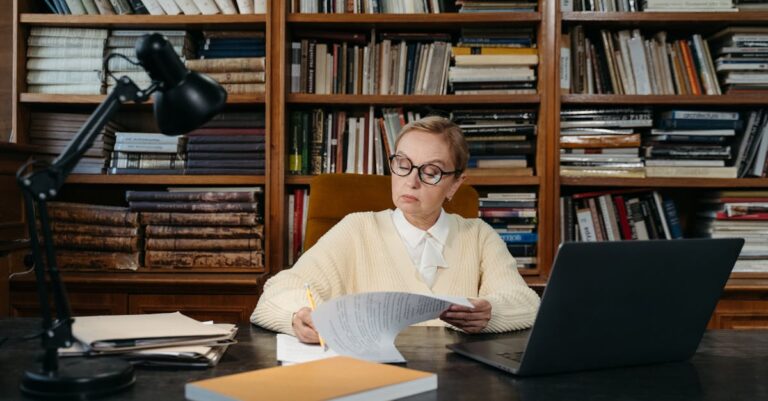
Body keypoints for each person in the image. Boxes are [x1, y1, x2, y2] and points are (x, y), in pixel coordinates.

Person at [251, 116, 540, 343]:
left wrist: (490, 312)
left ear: (454, 184)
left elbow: (526, 302)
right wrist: (299, 315)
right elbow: (278, 291)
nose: (411, 181)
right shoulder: (357, 229)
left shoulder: (478, 235)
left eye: (430, 171)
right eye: (402, 164)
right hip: (373, 381)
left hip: (459, 383)